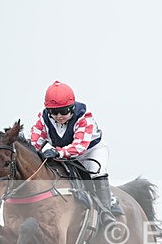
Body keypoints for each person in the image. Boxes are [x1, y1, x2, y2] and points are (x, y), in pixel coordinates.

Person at [29, 80, 122, 222]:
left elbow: (79, 147)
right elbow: (34, 142)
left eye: (64, 111)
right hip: (64, 154)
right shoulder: (43, 119)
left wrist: (57, 152)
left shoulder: (84, 118)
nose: (59, 116)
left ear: (72, 108)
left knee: (97, 173)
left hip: (90, 151)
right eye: (54, 112)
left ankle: (106, 212)